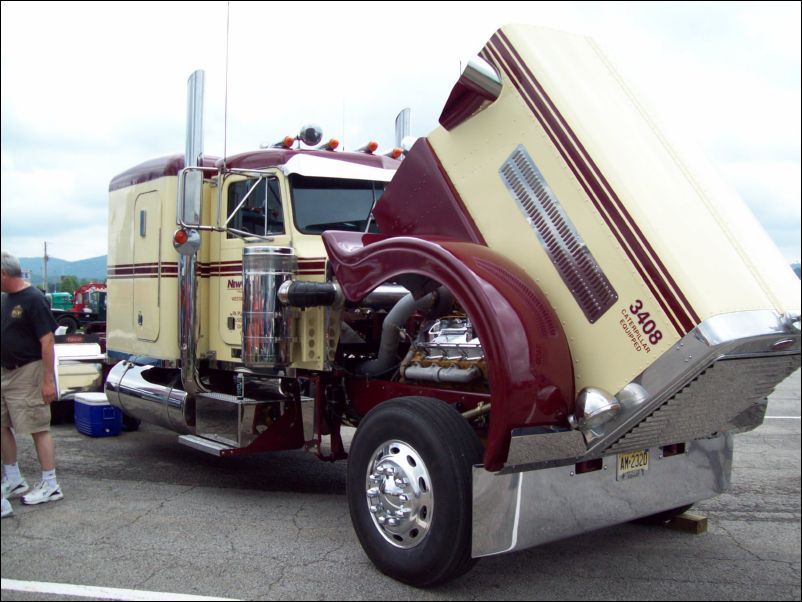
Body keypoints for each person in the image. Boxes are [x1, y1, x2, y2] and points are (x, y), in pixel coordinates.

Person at [1, 251, 63, 517]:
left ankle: (50, 484)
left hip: (28, 371)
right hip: (5, 372)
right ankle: (14, 478)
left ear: (4, 273)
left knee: (37, 426)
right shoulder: (7, 299)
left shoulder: (33, 298)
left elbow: (47, 341)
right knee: (1, 424)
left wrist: (48, 380)